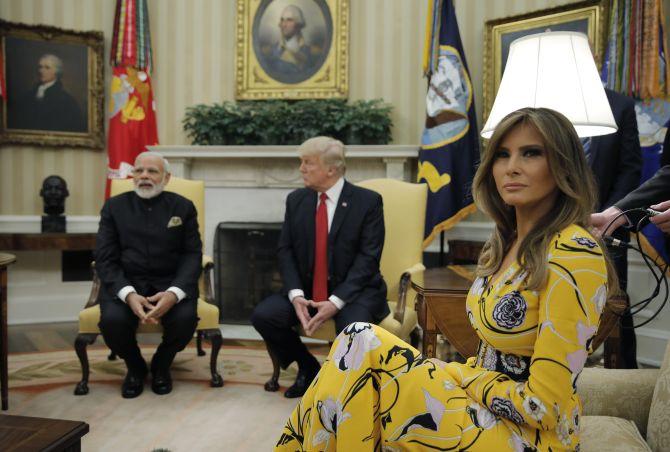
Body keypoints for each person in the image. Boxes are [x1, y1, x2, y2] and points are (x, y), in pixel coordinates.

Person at [276, 108, 616, 451]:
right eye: (502, 154)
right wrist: (455, 375)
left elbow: (543, 407)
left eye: (531, 153)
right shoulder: (506, 244)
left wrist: (456, 374)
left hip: (528, 436)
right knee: (357, 354)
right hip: (482, 407)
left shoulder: (575, 251)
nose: (511, 166)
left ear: (563, 164)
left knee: (361, 349)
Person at [252, 136, 388, 399]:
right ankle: (307, 367)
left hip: (354, 292)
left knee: (354, 331)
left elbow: (368, 258)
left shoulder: (368, 202)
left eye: (308, 163)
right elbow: (285, 250)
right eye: (301, 162)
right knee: (264, 315)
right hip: (307, 289)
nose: (301, 169)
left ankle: (347, 391)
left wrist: (336, 301)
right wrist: (295, 295)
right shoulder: (297, 200)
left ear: (331, 169)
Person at [95, 151, 202, 398]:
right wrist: (128, 294)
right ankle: (135, 367)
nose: (144, 176)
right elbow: (105, 257)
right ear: (132, 175)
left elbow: (192, 254)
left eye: (152, 171)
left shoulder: (183, 207)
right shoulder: (113, 207)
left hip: (170, 284)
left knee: (185, 320)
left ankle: (161, 364)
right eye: (139, 170)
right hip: (126, 283)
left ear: (166, 177)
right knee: (113, 322)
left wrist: (175, 294)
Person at [586, 88, 641, 368]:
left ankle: (624, 369)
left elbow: (631, 169)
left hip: (609, 225)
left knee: (615, 302)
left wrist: (608, 216)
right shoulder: (545, 102)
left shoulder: (620, 106)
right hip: (555, 223)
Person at [8, 53, 85, 132]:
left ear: (57, 72)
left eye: (47, 68)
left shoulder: (66, 100)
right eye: (40, 67)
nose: (41, 71)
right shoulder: (27, 96)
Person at [261, 5, 321, 82]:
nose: (284, 25)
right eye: (282, 20)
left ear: (298, 24)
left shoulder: (312, 52)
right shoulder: (269, 51)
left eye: (289, 20)